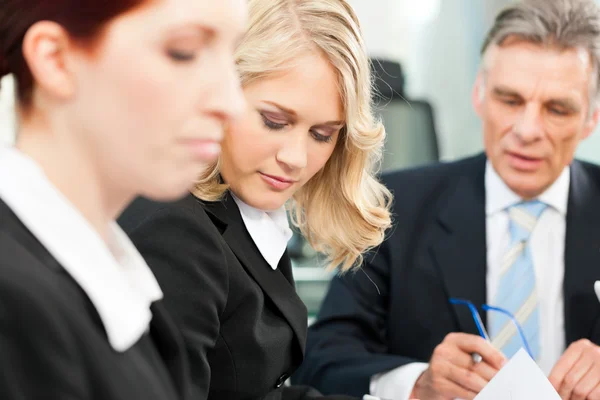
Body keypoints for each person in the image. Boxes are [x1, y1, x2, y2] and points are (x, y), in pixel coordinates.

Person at [292, 0, 600, 399]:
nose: (527, 130)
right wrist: (417, 384)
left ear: (590, 119)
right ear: (479, 94)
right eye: (509, 100)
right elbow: (321, 357)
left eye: (557, 109)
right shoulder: (396, 205)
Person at [118, 0, 392, 399]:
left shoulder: (244, 210)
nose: (295, 159)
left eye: (323, 134)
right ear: (217, 93)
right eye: (274, 122)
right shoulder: (173, 230)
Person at [0, 0, 246, 398]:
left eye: (232, 58)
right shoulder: (14, 307)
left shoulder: (119, 281)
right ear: (56, 59)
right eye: (183, 52)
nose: (232, 103)